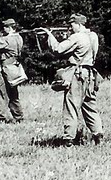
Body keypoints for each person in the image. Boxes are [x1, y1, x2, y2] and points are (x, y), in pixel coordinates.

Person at [37, 13, 102, 146]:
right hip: (89, 74)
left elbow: (57, 49)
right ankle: (98, 135)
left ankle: (69, 139)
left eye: (72, 25)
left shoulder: (77, 37)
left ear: (78, 24)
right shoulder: (93, 36)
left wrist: (50, 36)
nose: (70, 28)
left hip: (77, 75)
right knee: (90, 106)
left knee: (71, 106)